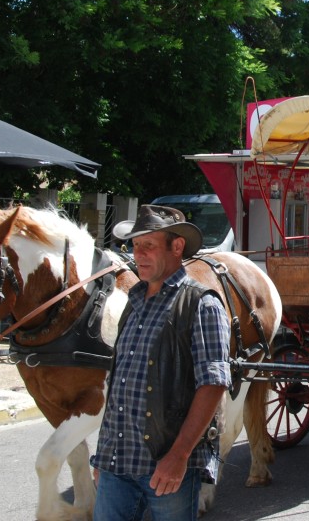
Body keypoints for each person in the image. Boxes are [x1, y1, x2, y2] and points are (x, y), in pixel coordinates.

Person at [91, 205, 231, 520]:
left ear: (176, 246)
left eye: (149, 246)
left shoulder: (201, 304)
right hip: (116, 464)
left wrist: (179, 456)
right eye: (135, 246)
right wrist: (103, 456)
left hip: (166, 466)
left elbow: (213, 384)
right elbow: (119, 385)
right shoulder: (134, 301)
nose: (138, 254)